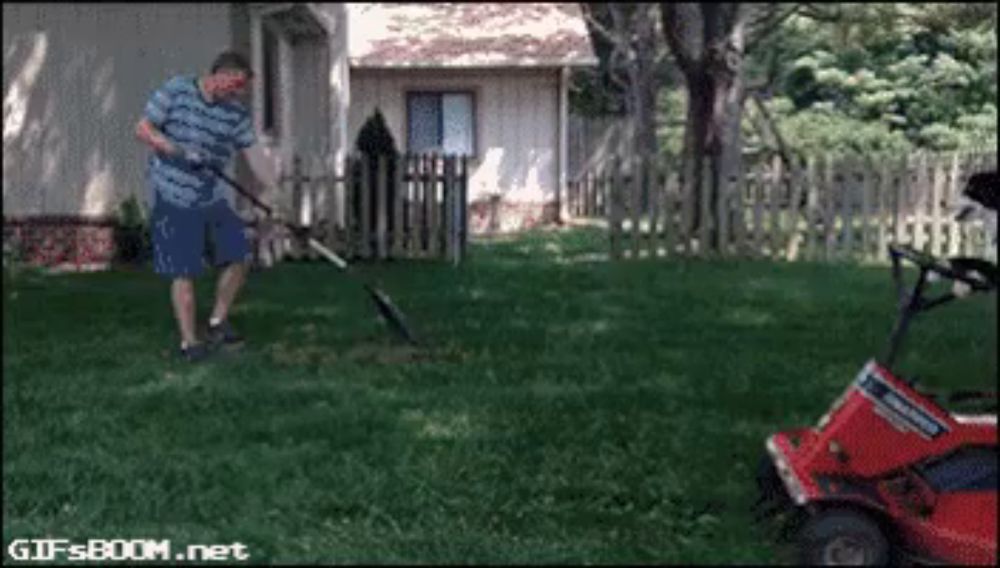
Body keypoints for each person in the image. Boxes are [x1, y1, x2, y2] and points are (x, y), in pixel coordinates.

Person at [135, 50, 277, 362]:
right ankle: (190, 342)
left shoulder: (234, 114)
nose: (238, 93)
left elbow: (254, 157)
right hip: (172, 192)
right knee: (184, 268)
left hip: (210, 195)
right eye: (236, 85)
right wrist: (176, 150)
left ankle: (217, 321)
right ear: (220, 75)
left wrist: (272, 192)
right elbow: (143, 129)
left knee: (239, 254)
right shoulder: (177, 90)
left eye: (242, 88)